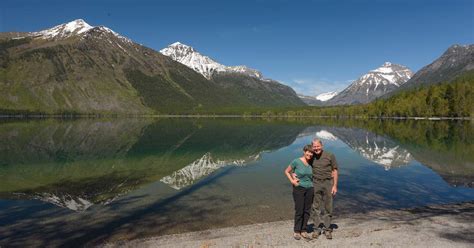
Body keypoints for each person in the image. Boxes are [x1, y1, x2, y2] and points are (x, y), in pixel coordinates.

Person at [284, 144, 314, 240]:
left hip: (310, 188)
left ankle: (304, 230)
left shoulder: (312, 163)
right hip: (299, 188)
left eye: (311, 152)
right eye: (308, 152)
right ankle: (297, 231)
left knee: (307, 210)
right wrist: (292, 180)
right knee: (299, 210)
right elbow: (287, 171)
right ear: (304, 151)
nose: (310, 154)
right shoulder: (296, 161)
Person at [310, 138, 338, 240]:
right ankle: (316, 229)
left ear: (322, 146)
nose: (316, 148)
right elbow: (303, 165)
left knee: (328, 207)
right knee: (315, 207)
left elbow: (334, 171)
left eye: (318, 146)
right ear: (312, 147)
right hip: (315, 183)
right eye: (314, 147)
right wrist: (295, 174)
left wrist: (334, 185)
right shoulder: (311, 156)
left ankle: (327, 229)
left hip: (328, 183)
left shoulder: (330, 155)